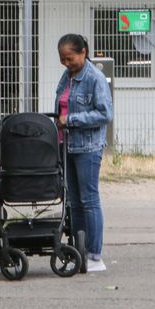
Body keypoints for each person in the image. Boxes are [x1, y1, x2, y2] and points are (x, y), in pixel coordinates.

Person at [54, 33, 113, 273]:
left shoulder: (95, 78)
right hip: (66, 145)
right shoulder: (67, 77)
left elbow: (105, 114)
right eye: (62, 59)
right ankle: (78, 251)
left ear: (83, 53)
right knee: (74, 203)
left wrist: (72, 120)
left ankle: (95, 254)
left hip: (87, 147)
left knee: (89, 200)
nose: (66, 63)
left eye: (70, 58)